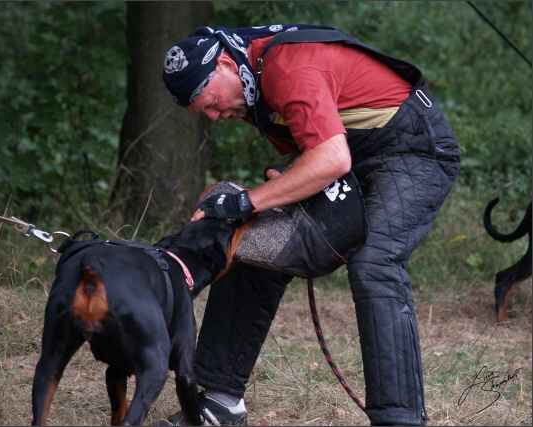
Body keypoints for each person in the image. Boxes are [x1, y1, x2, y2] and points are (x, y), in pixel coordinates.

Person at [161, 23, 461, 426]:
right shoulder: (252, 88)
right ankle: (220, 404)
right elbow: (315, 155)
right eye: (204, 113)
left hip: (414, 149)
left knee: (375, 262)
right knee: (247, 237)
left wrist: (247, 200)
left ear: (227, 65)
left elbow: (331, 160)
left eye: (209, 103)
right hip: (354, 154)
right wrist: (251, 206)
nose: (215, 117)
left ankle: (401, 418)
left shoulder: (286, 67)